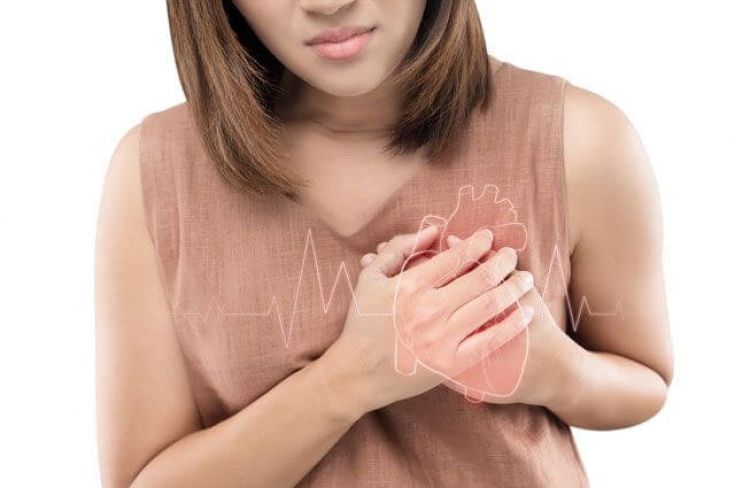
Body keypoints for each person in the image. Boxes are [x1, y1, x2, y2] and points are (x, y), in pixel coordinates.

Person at [95, 1, 673, 487]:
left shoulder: (580, 138)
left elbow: (646, 380)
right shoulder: (155, 171)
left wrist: (555, 371)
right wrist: (351, 377)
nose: (326, 3)